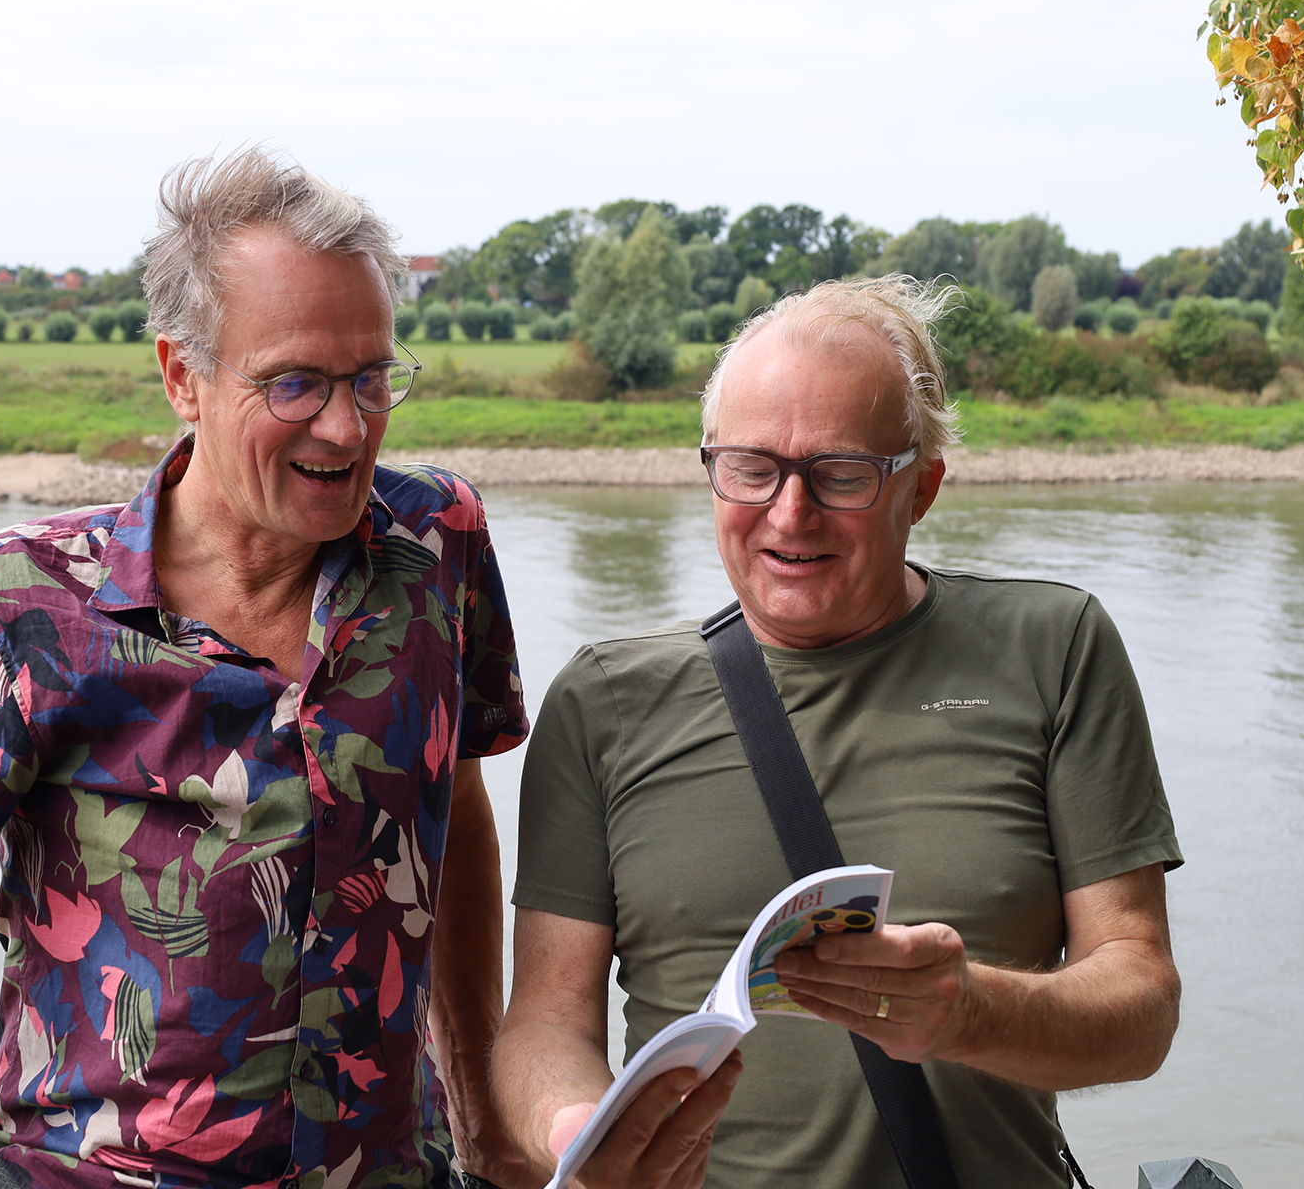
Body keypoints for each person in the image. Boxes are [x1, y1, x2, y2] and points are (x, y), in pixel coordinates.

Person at [0, 148, 534, 1189]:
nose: (347, 423)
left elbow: (450, 811)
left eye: (373, 378)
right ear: (181, 375)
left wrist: (485, 1120)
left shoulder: (439, 542)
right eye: (297, 382)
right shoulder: (11, 607)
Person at [494, 275, 1182, 1188]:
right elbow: (543, 1023)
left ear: (921, 489)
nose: (789, 514)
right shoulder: (604, 700)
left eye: (842, 474)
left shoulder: (1054, 648)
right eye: (751, 468)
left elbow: (1141, 1005)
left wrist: (973, 1012)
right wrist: (576, 1134)